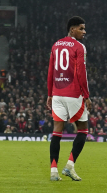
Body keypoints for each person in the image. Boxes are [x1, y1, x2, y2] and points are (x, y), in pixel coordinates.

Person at [45, 16, 92, 182]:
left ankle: (53, 171)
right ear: (72, 29)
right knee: (83, 130)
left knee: (56, 132)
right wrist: (86, 96)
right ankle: (69, 166)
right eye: (81, 28)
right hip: (73, 94)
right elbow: (81, 73)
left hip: (57, 94)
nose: (84, 32)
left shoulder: (56, 45)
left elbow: (51, 71)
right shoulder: (80, 47)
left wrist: (50, 94)